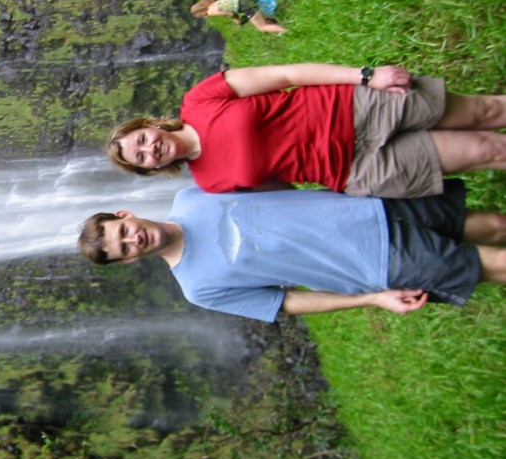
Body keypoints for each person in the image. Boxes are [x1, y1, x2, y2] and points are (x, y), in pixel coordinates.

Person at [77, 181, 506, 322]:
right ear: (129, 261)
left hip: (370, 204)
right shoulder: (198, 288)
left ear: (125, 213)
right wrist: (373, 297)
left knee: (493, 225)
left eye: (124, 230)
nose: (134, 239)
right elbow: (289, 301)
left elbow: (272, 178)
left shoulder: (193, 194)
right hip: (377, 261)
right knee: (497, 265)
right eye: (124, 248)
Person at [106, 63, 506, 197]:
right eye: (141, 159)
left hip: (354, 109)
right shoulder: (211, 183)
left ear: (149, 125)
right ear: (152, 170)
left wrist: (366, 76)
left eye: (141, 140)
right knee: (488, 152)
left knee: (484, 111)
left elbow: (285, 74)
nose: (150, 149)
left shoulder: (200, 100)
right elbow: (286, 198)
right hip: (358, 170)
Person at [190, 0, 286, 34]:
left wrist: (237, 20)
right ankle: (278, 22)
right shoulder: (213, 1)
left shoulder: (210, 11)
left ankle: (286, 31)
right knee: (263, 17)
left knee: (262, 27)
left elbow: (229, 12)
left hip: (244, 5)